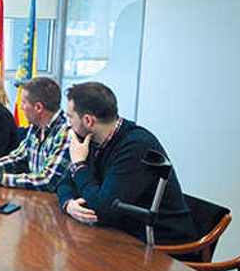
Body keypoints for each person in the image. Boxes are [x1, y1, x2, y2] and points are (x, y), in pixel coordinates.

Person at [56, 82, 196, 245]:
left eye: (70, 117)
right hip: (122, 232)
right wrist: (69, 204)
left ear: (88, 120)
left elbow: (102, 211)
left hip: (159, 243)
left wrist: (79, 165)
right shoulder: (90, 139)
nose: (68, 124)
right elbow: (64, 183)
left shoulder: (136, 146)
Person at [0, 77, 71, 191]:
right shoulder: (36, 127)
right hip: (36, 200)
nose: (21, 108)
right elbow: (17, 157)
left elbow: (47, 180)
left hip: (53, 204)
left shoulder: (65, 133)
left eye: (23, 103)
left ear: (38, 107)